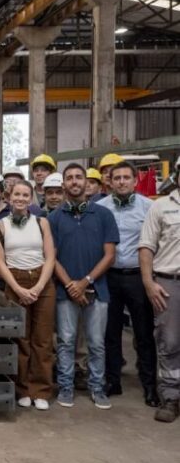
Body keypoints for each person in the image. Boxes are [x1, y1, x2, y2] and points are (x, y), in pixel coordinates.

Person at [48, 163, 119, 409]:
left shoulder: (103, 215)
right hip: (65, 291)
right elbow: (51, 257)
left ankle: (97, 388)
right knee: (66, 341)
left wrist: (85, 281)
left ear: (87, 182)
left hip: (97, 290)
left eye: (79, 177)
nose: (74, 181)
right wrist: (71, 285)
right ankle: (65, 387)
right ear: (63, 184)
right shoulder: (54, 218)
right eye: (69, 178)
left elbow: (110, 255)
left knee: (96, 343)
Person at [96, 161, 158, 407]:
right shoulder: (100, 208)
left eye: (126, 177)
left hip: (138, 277)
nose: (121, 181)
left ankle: (149, 385)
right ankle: (113, 381)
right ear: (109, 182)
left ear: (134, 180)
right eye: (117, 178)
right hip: (109, 276)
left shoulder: (149, 207)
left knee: (144, 333)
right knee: (110, 331)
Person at [0, 181, 56, 411]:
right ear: (9, 197)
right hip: (14, 281)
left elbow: (50, 257)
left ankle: (41, 390)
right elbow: (0, 261)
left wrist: (39, 287)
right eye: (16, 194)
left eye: (25, 195)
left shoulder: (42, 222)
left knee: (43, 339)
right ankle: (23, 389)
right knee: (20, 339)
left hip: (42, 282)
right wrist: (17, 289)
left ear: (31, 199)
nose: (20, 198)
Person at [139, 156, 180, 422]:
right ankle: (171, 397)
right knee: (170, 341)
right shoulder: (161, 207)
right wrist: (148, 282)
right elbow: (146, 247)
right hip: (169, 284)